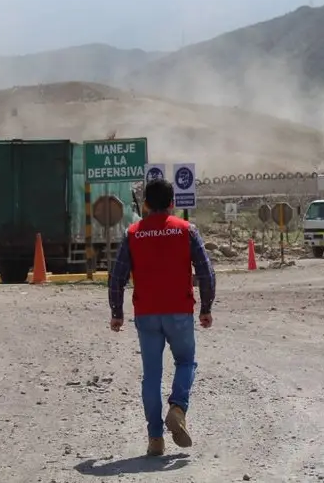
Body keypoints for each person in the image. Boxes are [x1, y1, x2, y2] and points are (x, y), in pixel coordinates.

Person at [108, 178, 216, 457]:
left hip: (146, 314)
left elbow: (116, 276)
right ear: (172, 204)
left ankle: (155, 439)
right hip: (179, 311)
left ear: (144, 205)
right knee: (186, 361)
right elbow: (205, 271)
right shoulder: (186, 230)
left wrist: (117, 312)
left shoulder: (133, 233)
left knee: (151, 376)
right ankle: (177, 408)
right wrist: (206, 307)